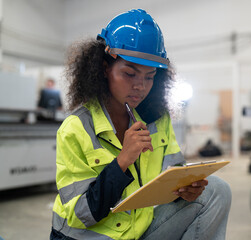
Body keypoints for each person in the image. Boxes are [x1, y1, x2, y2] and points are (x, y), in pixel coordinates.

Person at [50, 9, 231, 240]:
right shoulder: (75, 128)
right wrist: (123, 161)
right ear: (105, 69)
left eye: (149, 76)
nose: (140, 86)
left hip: (137, 233)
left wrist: (185, 190)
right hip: (86, 237)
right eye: (129, 74)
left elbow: (173, 174)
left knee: (217, 190)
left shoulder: (156, 119)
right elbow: (82, 214)